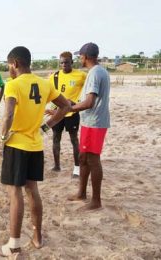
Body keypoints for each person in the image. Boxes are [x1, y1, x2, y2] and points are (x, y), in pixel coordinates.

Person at [0, 46, 70, 257]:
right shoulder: (45, 83)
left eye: (9, 64)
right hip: (36, 145)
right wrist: (46, 126)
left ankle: (13, 244)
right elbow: (65, 106)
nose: (9, 68)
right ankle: (38, 237)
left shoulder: (13, 85)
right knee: (32, 190)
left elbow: (8, 114)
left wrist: (3, 136)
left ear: (15, 64)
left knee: (15, 192)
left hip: (17, 145)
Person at [68, 43, 110, 210]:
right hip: (91, 122)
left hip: (94, 123)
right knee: (83, 158)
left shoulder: (94, 73)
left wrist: (71, 108)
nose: (79, 58)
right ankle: (82, 193)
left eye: (80, 56)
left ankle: (96, 201)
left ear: (85, 56)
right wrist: (76, 104)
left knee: (93, 160)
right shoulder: (100, 71)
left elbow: (89, 102)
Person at [46, 52, 86, 177]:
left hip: (72, 114)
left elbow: (88, 92)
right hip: (57, 113)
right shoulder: (54, 76)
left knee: (74, 140)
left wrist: (78, 104)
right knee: (56, 138)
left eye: (67, 62)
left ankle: (77, 168)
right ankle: (57, 165)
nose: (64, 64)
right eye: (62, 62)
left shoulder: (81, 76)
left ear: (72, 62)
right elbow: (50, 93)